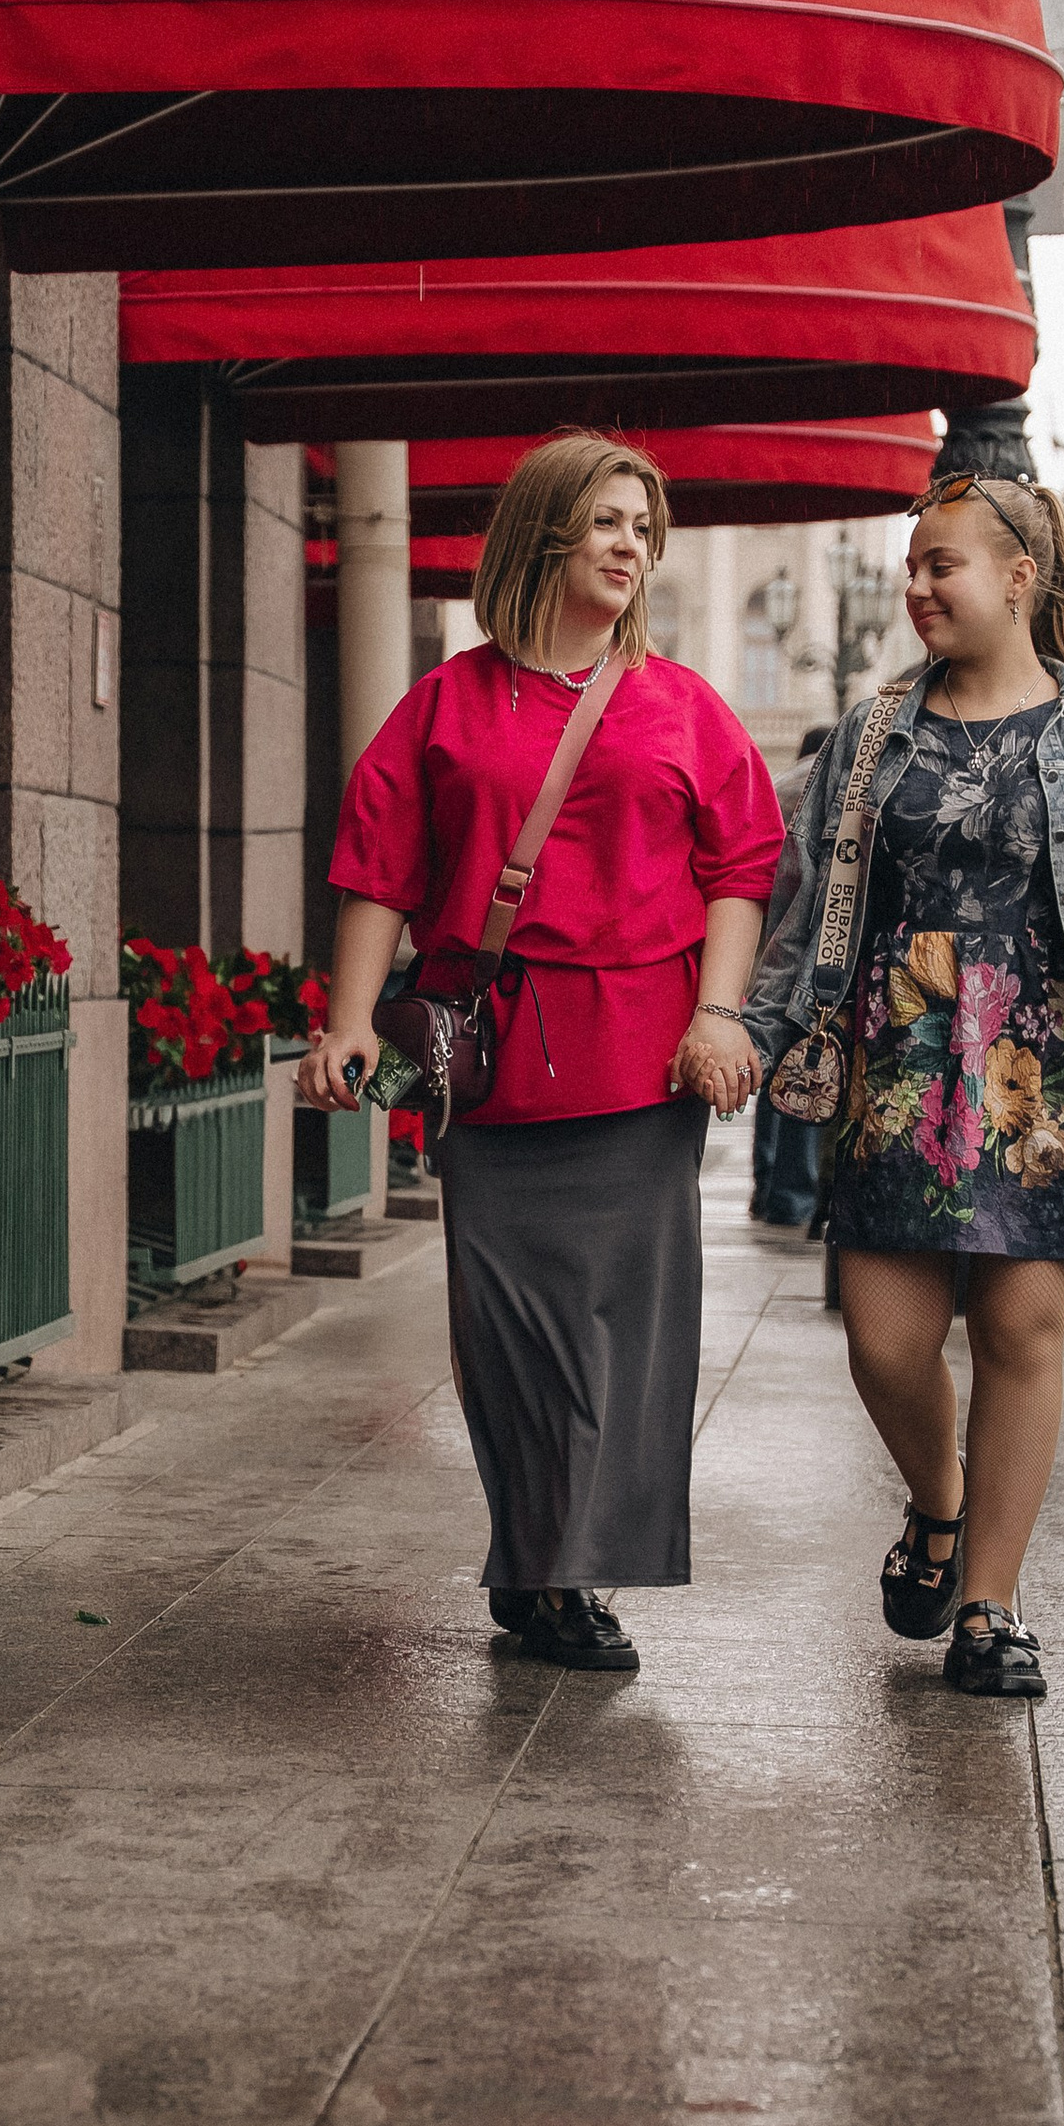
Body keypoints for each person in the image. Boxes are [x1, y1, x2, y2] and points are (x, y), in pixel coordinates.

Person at [298, 436, 783, 1674]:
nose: (630, 545)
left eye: (642, 528)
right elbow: (379, 867)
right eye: (608, 521)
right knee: (508, 1331)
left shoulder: (682, 705)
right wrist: (349, 1020)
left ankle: (570, 1573)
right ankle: (531, 1550)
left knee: (620, 1327)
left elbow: (742, 866)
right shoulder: (449, 703)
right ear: (543, 533)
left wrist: (718, 1014)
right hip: (493, 1062)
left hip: (641, 1060)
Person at [745, 472, 1064, 1699]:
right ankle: (935, 1503)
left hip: (1043, 1058)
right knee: (885, 1343)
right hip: (898, 1046)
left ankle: (990, 1603)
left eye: (943, 562)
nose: (918, 585)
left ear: (1019, 577)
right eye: (912, 564)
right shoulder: (870, 731)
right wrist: (755, 1029)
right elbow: (806, 902)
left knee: (1018, 1330)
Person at [749, 721, 833, 1228]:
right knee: (807, 1067)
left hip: (767, 946)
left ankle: (768, 1186)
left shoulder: (780, 783)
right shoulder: (829, 784)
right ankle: (795, 1195)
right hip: (817, 948)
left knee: (772, 1064)